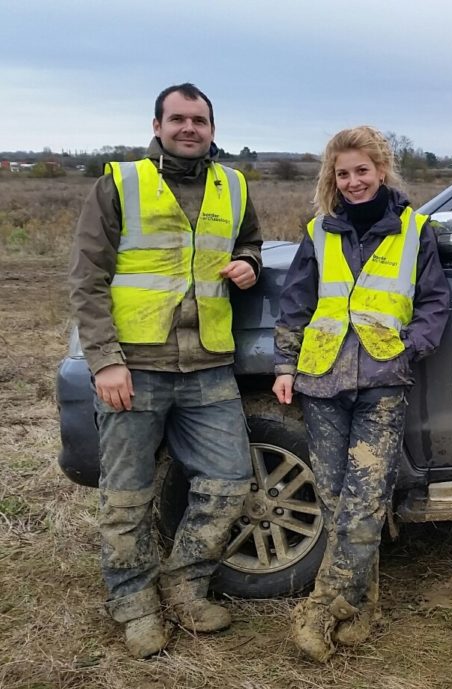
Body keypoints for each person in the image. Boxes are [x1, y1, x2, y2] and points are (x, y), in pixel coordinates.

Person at [69, 83, 262, 658]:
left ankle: (185, 586)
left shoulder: (234, 185)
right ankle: (133, 605)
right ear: (156, 125)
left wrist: (249, 264)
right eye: (177, 119)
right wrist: (104, 361)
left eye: (199, 120)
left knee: (229, 482)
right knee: (126, 498)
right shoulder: (120, 184)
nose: (189, 129)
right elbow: (87, 279)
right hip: (135, 366)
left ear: (211, 128)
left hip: (208, 366)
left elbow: (250, 242)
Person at [272, 126, 450, 661]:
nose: (352, 182)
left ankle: (323, 609)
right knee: (334, 499)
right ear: (333, 177)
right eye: (342, 173)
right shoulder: (318, 232)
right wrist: (285, 364)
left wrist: (407, 349)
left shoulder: (415, 230)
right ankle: (366, 601)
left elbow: (434, 302)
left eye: (362, 171)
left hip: (381, 383)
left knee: (366, 500)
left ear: (381, 171)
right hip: (322, 380)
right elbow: (296, 304)